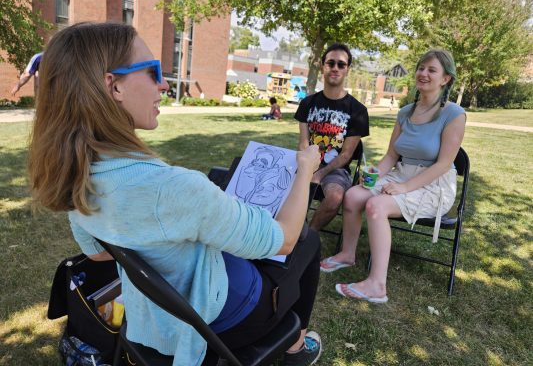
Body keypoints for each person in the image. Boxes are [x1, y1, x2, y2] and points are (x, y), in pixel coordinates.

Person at [28, 22, 324, 366]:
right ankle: (295, 346)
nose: (164, 84)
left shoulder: (76, 178)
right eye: (153, 71)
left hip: (155, 316)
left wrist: (175, 233)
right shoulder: (173, 188)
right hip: (218, 319)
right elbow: (284, 240)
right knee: (308, 240)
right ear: (114, 86)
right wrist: (304, 170)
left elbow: (96, 254)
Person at [325, 49, 466, 303]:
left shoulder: (454, 114)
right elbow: (391, 155)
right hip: (401, 175)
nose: (423, 74)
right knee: (354, 195)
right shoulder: (405, 112)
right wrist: (374, 172)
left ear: (445, 79)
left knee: (376, 206)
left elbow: (445, 164)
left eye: (431, 70)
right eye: (421, 68)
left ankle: (377, 285)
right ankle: (347, 254)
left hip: (434, 185)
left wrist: (405, 187)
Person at [294, 43, 369, 239]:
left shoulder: (358, 110)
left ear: (347, 70)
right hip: (306, 162)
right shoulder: (307, 104)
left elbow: (346, 154)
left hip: (335, 169)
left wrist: (320, 173)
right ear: (323, 67)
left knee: (335, 197)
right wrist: (307, 169)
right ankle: (287, 227)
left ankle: (306, 236)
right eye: (331, 63)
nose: (335, 68)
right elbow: (303, 143)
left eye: (341, 65)